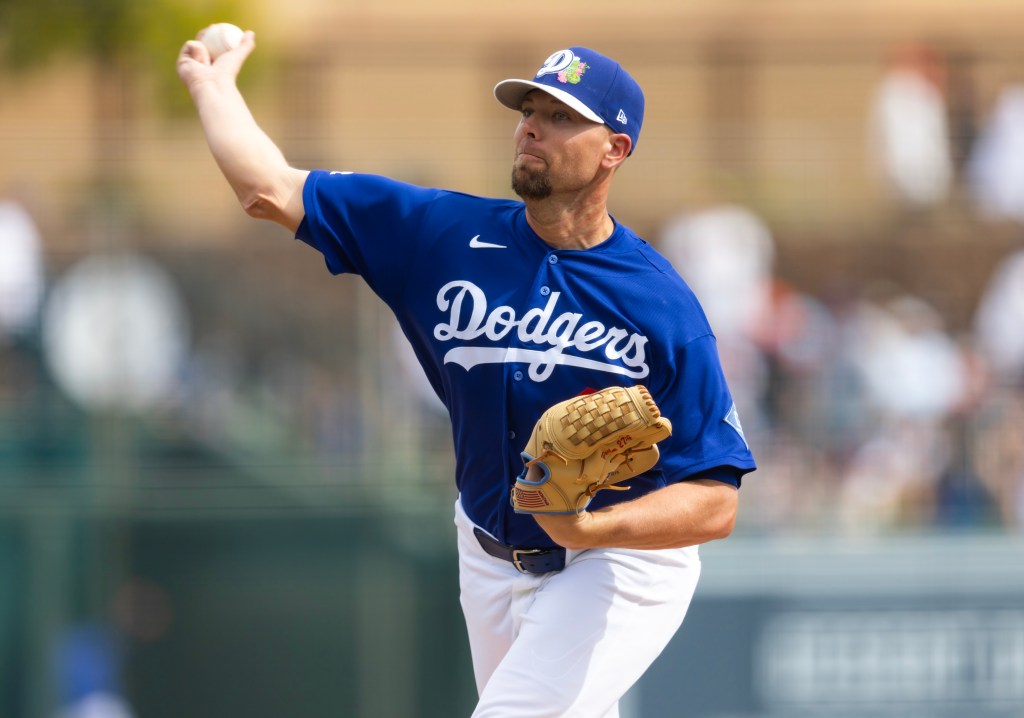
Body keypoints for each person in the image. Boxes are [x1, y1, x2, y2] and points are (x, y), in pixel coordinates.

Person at [177, 32, 756, 718]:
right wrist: (210, 87)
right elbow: (266, 188)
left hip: (620, 563)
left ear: (615, 150)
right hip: (485, 547)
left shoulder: (660, 303)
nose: (533, 127)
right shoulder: (441, 235)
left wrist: (593, 530)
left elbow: (716, 502)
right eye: (529, 111)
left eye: (562, 116)